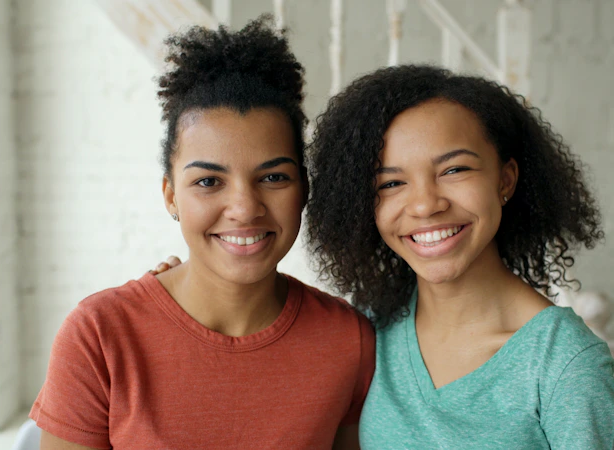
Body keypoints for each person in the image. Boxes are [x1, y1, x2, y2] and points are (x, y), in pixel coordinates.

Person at [30, 18, 373, 450]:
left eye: (273, 177)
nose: (245, 207)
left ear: (304, 188)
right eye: (209, 182)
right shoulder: (99, 335)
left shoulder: (348, 341)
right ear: (171, 196)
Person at [305, 65, 614, 449]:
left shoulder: (564, 365)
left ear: (504, 180)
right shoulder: (374, 330)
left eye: (454, 169)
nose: (425, 205)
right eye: (391, 183)